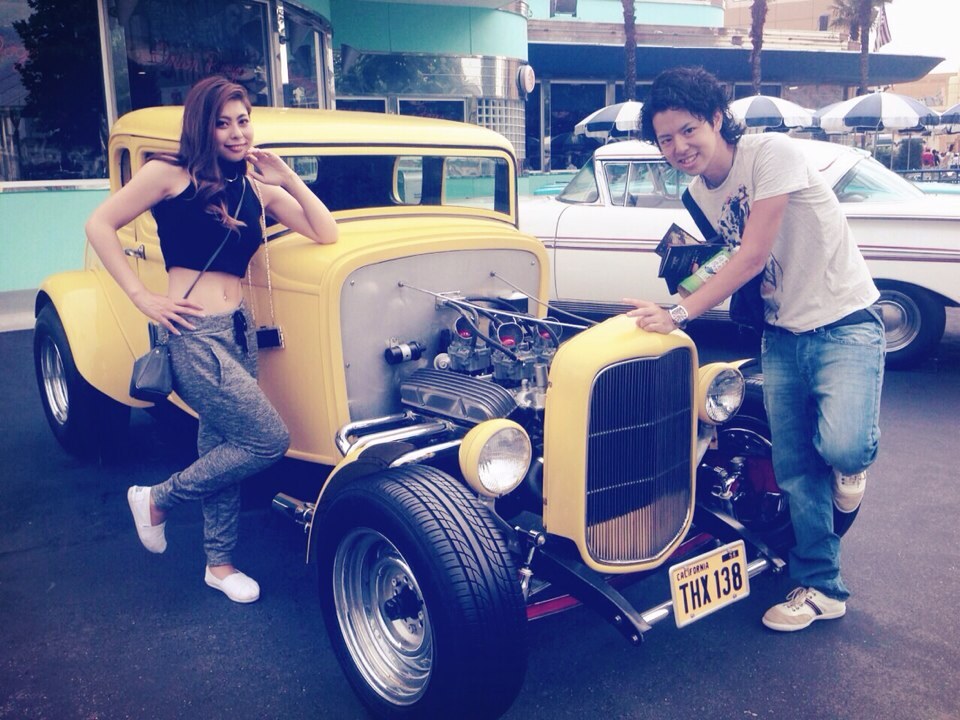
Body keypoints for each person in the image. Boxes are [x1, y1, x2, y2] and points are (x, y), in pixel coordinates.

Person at [626, 67, 884, 632]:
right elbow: (728, 261)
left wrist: (679, 316)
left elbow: (752, 253)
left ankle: (851, 467)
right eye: (665, 140)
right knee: (796, 471)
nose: (679, 147)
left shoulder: (771, 154)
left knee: (843, 445)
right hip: (781, 333)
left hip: (844, 320)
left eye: (688, 130)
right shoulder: (698, 193)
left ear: (717, 119)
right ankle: (822, 588)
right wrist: (666, 303)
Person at [85, 76, 338, 603]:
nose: (237, 132)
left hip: (239, 330)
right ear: (203, 126)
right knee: (266, 439)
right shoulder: (168, 174)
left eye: (243, 121)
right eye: (223, 123)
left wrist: (289, 177)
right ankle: (157, 498)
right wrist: (141, 296)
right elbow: (100, 224)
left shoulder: (254, 187)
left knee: (222, 447)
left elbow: (325, 230)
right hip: (193, 332)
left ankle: (218, 566)